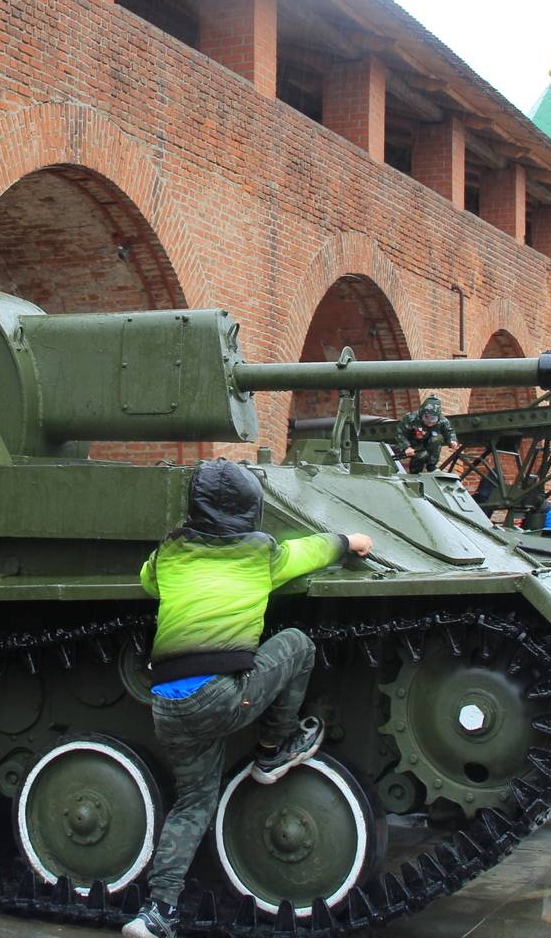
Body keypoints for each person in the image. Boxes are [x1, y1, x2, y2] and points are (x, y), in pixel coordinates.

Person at [124, 460, 372, 938]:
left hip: (168, 705)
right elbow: (313, 551)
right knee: (297, 642)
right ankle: (273, 748)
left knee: (193, 804)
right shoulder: (263, 555)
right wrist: (349, 541)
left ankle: (157, 912)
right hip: (222, 697)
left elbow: (146, 582)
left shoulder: (169, 555)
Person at [394, 394, 457, 473]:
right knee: (423, 455)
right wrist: (406, 447)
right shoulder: (410, 418)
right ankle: (415, 473)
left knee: (437, 438)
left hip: (430, 443)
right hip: (414, 445)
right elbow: (400, 433)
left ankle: (431, 466)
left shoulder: (443, 421)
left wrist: (452, 441)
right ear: (422, 414)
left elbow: (449, 431)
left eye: (433, 419)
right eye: (427, 417)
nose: (430, 421)